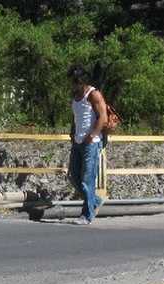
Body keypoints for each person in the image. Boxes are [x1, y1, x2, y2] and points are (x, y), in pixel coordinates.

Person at [67, 65, 108, 225]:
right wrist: (72, 132)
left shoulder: (93, 94)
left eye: (74, 81)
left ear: (81, 81)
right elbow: (76, 116)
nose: (72, 84)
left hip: (90, 143)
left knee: (87, 179)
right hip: (77, 141)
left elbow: (103, 117)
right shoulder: (75, 95)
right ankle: (95, 200)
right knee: (74, 177)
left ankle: (87, 215)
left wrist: (93, 135)